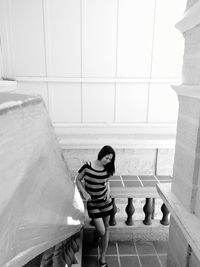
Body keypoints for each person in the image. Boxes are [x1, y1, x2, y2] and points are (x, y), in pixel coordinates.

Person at [76, 145, 115, 267]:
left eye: (110, 159)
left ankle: (102, 257)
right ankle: (96, 235)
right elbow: (77, 179)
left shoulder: (107, 168)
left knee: (107, 227)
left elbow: (106, 181)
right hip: (93, 203)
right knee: (102, 230)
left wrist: (108, 191)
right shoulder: (87, 166)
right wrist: (84, 192)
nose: (107, 161)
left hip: (106, 202)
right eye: (106, 158)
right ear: (101, 154)